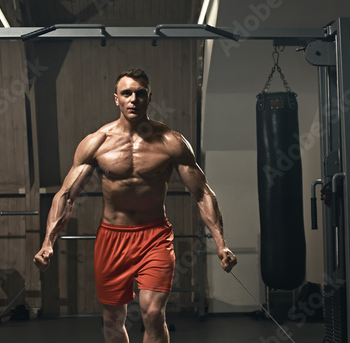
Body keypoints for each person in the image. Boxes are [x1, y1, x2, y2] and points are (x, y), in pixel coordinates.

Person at [34, 68, 237, 343]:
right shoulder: (97, 143)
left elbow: (202, 193)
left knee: (153, 314)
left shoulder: (171, 142)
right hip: (112, 238)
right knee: (112, 321)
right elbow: (67, 195)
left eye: (140, 93)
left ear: (149, 97)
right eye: (126, 93)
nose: (133, 99)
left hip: (155, 236)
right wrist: (48, 242)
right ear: (115, 99)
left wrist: (221, 243)